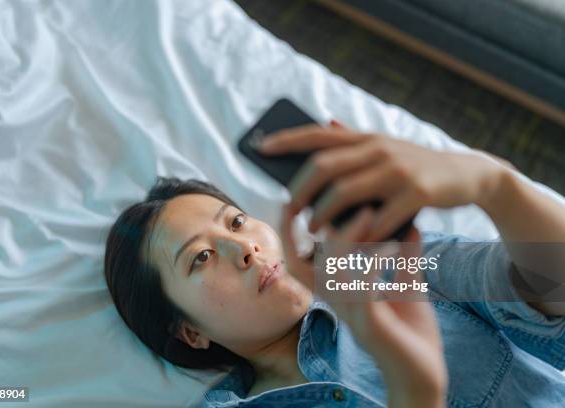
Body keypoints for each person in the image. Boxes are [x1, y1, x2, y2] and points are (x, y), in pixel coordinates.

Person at [103, 123, 565, 407]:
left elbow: (551, 291)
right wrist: (416, 393)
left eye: (237, 221)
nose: (243, 249)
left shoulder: (374, 265)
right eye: (201, 258)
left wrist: (493, 184)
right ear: (190, 333)